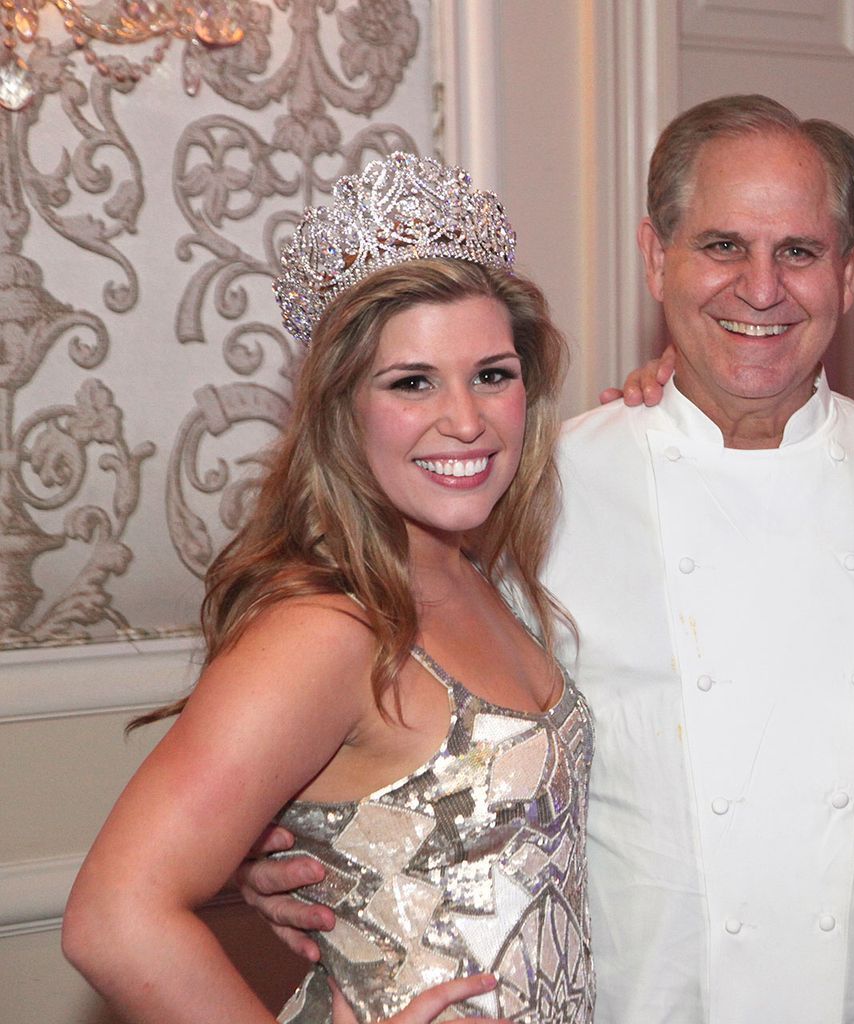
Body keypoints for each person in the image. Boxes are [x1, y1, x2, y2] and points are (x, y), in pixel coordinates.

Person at [244, 95, 854, 1024]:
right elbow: (374, 711)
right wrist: (281, 839)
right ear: (655, 258)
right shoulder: (530, 495)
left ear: (851, 270)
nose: (762, 289)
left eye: (799, 251)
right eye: (722, 246)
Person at [62, 152, 591, 1024]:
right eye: (412, 382)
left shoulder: (475, 575)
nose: (466, 419)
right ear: (341, 408)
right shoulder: (326, 629)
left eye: (492, 375)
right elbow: (114, 920)